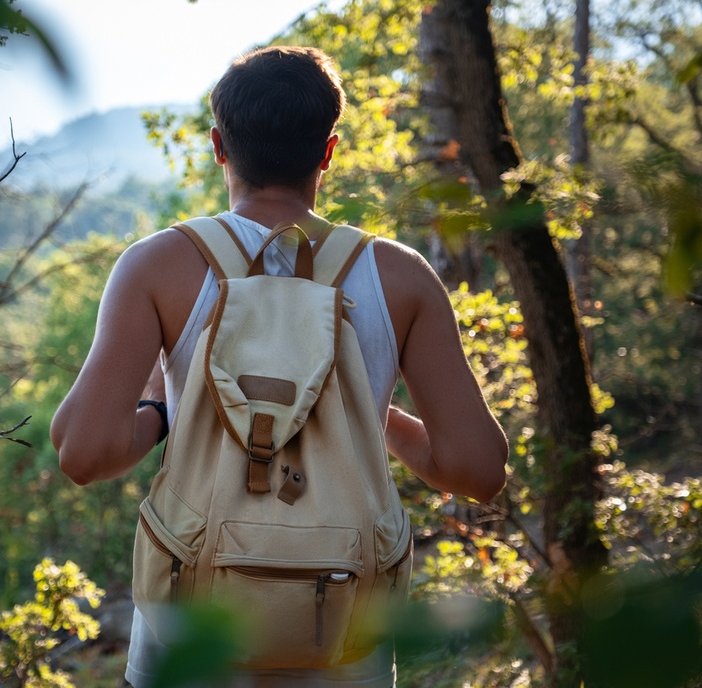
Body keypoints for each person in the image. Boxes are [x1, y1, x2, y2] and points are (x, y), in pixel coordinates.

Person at [51, 45, 509, 688]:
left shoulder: (158, 267)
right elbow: (479, 471)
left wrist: (158, 408)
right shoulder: (400, 278)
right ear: (328, 151)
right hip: (348, 644)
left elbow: (83, 453)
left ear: (218, 146)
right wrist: (367, 414)